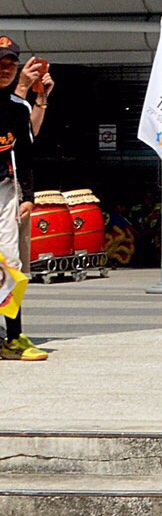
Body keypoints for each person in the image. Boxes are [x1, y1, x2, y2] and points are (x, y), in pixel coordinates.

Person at [0, 39, 52, 361]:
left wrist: (27, 196)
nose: (6, 69)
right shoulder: (13, 100)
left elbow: (25, 151)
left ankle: (14, 337)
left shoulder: (18, 105)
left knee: (10, 264)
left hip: (4, 190)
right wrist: (20, 91)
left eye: (11, 63)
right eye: (0, 63)